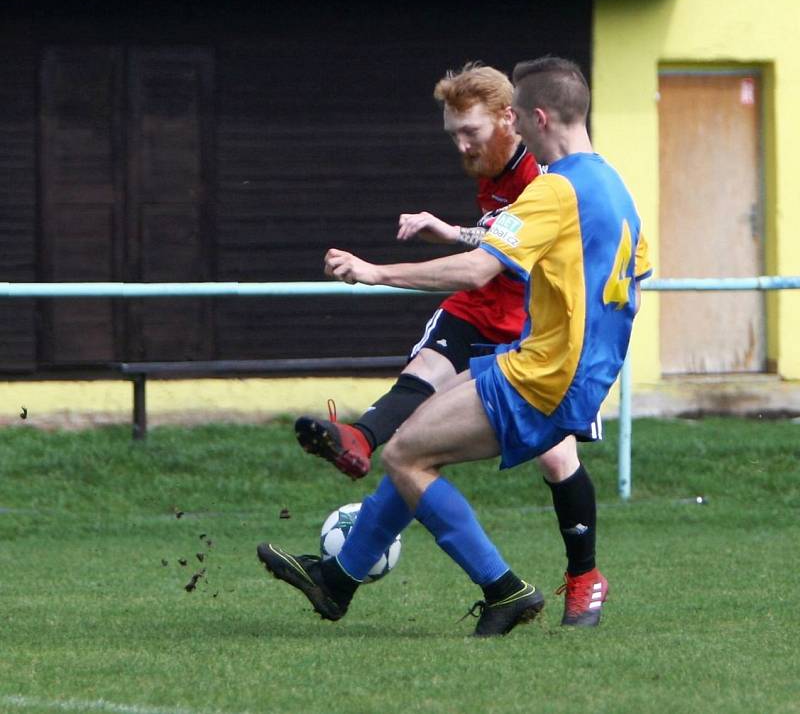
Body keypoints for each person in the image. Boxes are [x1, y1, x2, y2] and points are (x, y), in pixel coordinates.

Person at [259, 56, 652, 636]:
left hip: (542, 374)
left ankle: (504, 589)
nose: (512, 126)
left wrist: (375, 273)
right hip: (570, 369)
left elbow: (474, 271)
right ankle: (337, 580)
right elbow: (632, 286)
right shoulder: (615, 187)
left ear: (537, 117)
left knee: (404, 456)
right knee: (419, 437)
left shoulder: (554, 189)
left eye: (517, 116)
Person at [294, 62, 539, 479]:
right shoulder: (493, 165)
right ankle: (359, 439)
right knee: (415, 422)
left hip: (535, 322)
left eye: (471, 132)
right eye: (453, 135)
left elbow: (490, 261)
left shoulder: (541, 173)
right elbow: (503, 235)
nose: (462, 146)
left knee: (556, 458)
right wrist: (453, 232)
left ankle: (585, 548)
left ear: (507, 118)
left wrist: (376, 273)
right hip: (485, 306)